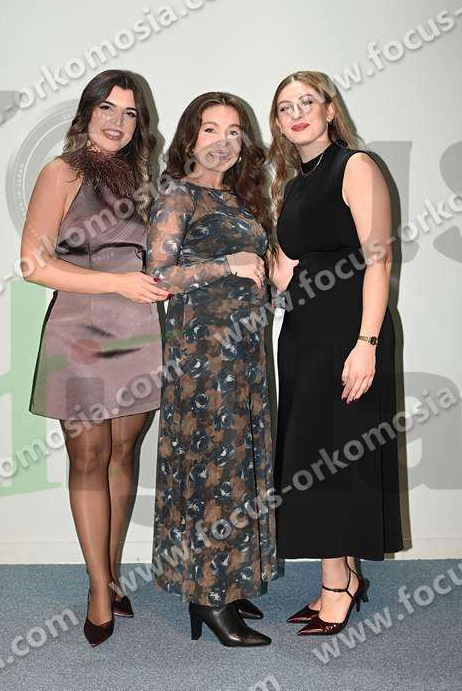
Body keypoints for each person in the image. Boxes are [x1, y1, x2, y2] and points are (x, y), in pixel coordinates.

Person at [21, 70, 169, 646]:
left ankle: (109, 572)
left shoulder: (144, 183)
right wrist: (116, 284)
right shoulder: (61, 173)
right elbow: (34, 265)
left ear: (139, 125)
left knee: (123, 453)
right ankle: (99, 590)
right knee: (88, 457)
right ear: (87, 113)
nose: (117, 121)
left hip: (137, 331)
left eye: (129, 113)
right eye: (107, 108)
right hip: (78, 331)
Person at [268, 70, 403, 636]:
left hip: (350, 332)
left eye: (307, 102)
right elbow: (284, 273)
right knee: (316, 456)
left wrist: (366, 343)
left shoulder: (355, 166)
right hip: (303, 336)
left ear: (329, 110)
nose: (296, 113)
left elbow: (379, 259)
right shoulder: (293, 184)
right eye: (285, 107)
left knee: (337, 457)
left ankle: (334, 589)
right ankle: (345, 576)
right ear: (278, 124)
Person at [146, 92, 280, 647]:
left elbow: (258, 273)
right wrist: (228, 263)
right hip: (202, 355)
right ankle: (207, 596)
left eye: (233, 132)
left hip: (245, 354)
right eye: (210, 130)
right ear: (190, 138)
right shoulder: (179, 194)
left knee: (242, 462)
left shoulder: (243, 200)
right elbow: (157, 276)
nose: (222, 142)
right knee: (211, 468)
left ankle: (230, 579)